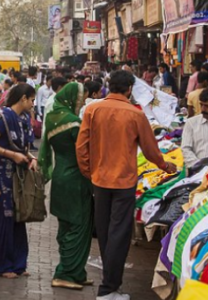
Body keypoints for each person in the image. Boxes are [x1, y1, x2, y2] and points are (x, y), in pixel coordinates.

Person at [76, 70, 177, 300]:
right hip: (124, 182)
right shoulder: (135, 114)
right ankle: (109, 288)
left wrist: (89, 171)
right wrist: (164, 165)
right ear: (130, 89)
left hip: (100, 180)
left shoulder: (93, 110)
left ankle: (109, 286)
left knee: (104, 231)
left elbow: (81, 146)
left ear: (108, 86)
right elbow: (151, 150)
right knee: (119, 233)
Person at [38, 83, 94, 290]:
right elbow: (85, 152)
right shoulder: (74, 123)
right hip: (76, 179)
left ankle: (76, 272)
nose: (81, 103)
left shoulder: (52, 119)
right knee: (79, 225)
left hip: (60, 177)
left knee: (66, 225)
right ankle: (65, 273)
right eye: (80, 99)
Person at [0, 83, 38, 278]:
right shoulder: (3, 117)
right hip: (3, 176)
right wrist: (9, 154)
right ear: (23, 99)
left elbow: (25, 147)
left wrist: (31, 158)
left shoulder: (25, 118)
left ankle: (18, 263)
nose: (34, 104)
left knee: (19, 218)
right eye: (32, 100)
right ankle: (1, 266)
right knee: (5, 218)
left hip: (19, 178)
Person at [181, 89, 208, 173]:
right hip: (197, 172)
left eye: (207, 106)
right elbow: (186, 149)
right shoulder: (191, 123)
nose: (203, 109)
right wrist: (200, 167)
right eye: (201, 105)